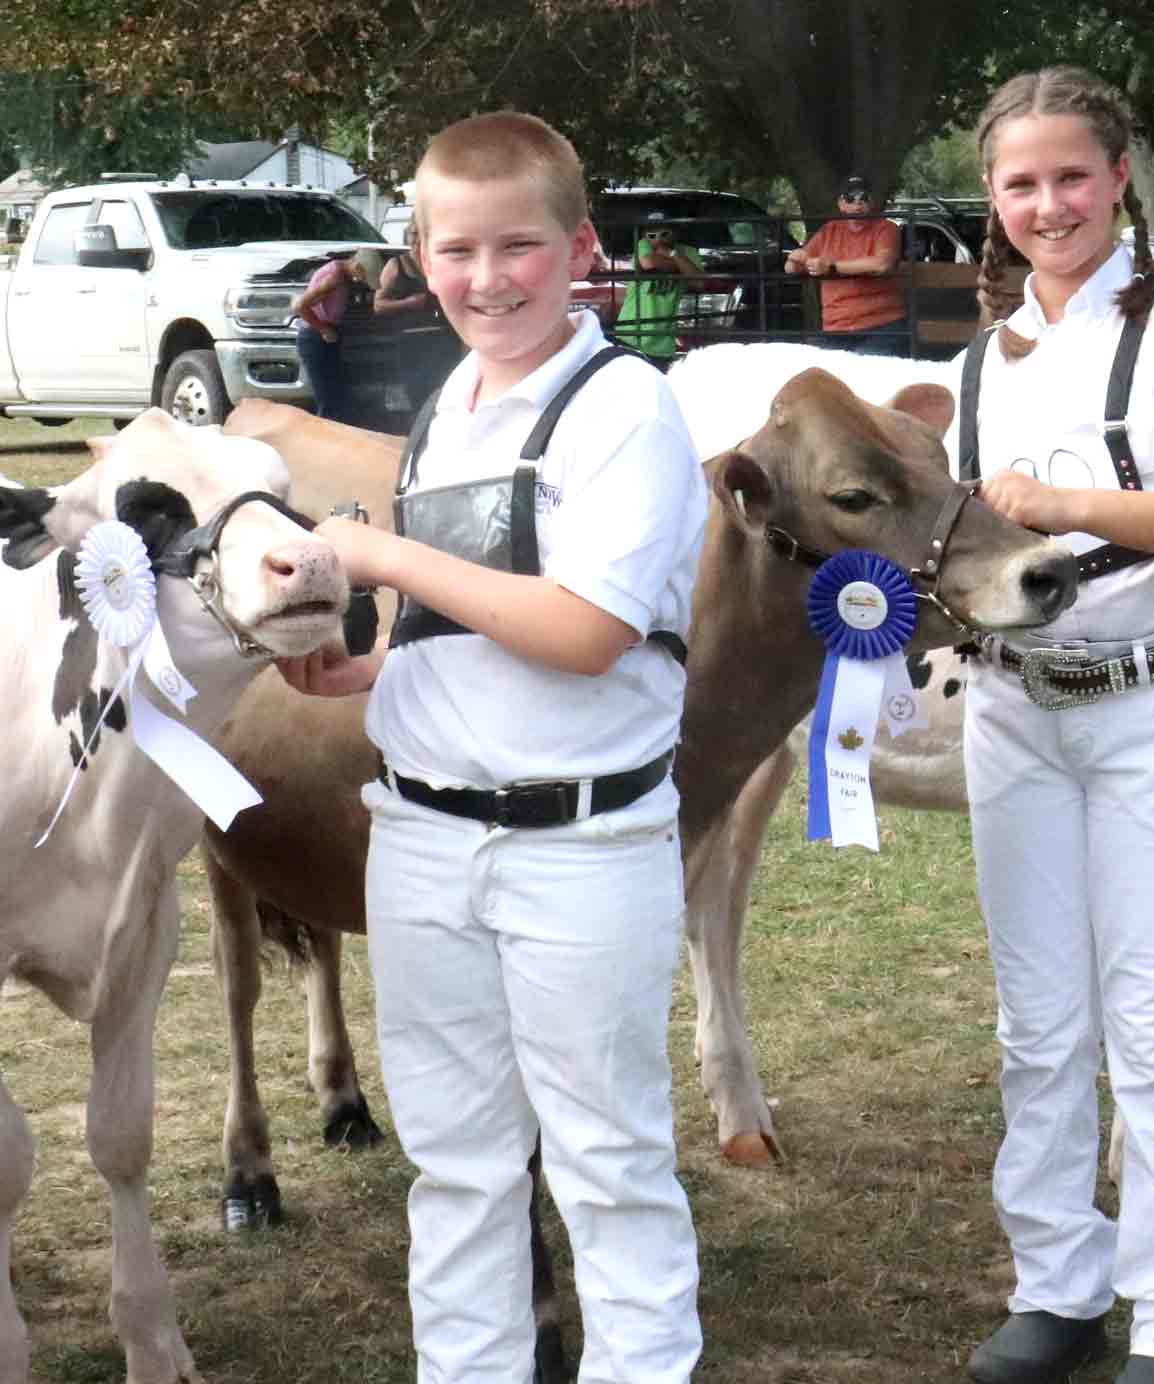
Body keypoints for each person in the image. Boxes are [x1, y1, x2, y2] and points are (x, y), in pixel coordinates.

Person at [275, 110, 706, 1381]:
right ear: (415, 251)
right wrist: (367, 659)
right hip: (420, 832)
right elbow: (456, 604)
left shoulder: (625, 406)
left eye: (518, 246)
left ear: (582, 250)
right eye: (454, 249)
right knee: (456, 1160)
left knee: (607, 1160)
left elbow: (582, 630)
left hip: (578, 847)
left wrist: (376, 553)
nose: (485, 278)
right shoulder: (449, 402)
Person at [956, 65, 1154, 1384]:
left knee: (1151, 1025)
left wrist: (1066, 508)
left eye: (1069, 177)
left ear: (1118, 181)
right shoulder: (978, 361)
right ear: (991, 197)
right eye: (1019, 183)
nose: (1047, 205)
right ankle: (1056, 1283)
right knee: (1035, 1022)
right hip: (1014, 710)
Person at [784, 174, 907, 354]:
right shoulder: (829, 230)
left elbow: (882, 264)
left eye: (863, 198)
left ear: (871, 202)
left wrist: (832, 267)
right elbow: (793, 267)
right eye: (850, 198)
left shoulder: (886, 228)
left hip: (881, 326)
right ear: (841, 204)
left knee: (862, 372)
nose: (857, 204)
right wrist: (794, 261)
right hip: (835, 328)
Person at [294, 247, 384, 423]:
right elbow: (299, 306)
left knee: (335, 395)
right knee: (328, 398)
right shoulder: (334, 277)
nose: (360, 280)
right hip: (316, 337)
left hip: (326, 334)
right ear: (357, 266)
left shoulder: (339, 274)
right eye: (363, 276)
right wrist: (323, 329)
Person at [616, 224, 703, 366]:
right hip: (630, 336)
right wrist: (682, 264)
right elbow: (648, 262)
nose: (658, 240)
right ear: (645, 236)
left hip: (662, 344)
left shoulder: (688, 251)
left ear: (675, 232)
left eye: (665, 234)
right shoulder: (644, 245)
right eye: (652, 235)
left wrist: (672, 254)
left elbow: (698, 282)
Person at [373, 222, 434, 316]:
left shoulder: (438, 263)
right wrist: (407, 303)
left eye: (423, 234)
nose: (418, 239)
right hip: (404, 327)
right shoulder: (395, 265)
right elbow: (378, 306)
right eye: (414, 233)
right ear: (406, 237)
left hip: (438, 326)